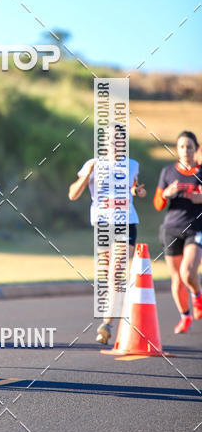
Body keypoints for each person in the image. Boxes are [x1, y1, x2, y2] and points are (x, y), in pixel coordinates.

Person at [69, 137, 146, 344]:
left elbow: (132, 188)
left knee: (116, 273)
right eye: (111, 140)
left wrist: (136, 191)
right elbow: (73, 195)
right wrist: (87, 174)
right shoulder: (92, 164)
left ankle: (107, 324)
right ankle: (119, 309)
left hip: (126, 223)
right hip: (103, 225)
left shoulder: (132, 165)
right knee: (108, 275)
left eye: (119, 140)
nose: (115, 144)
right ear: (104, 143)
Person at [154, 130, 202, 333]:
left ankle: (197, 296)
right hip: (171, 228)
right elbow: (157, 204)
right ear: (177, 149)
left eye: (189, 146)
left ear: (196, 149)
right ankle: (185, 316)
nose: (185, 150)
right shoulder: (168, 172)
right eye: (181, 146)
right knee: (176, 277)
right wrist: (167, 193)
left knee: (187, 272)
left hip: (196, 227)